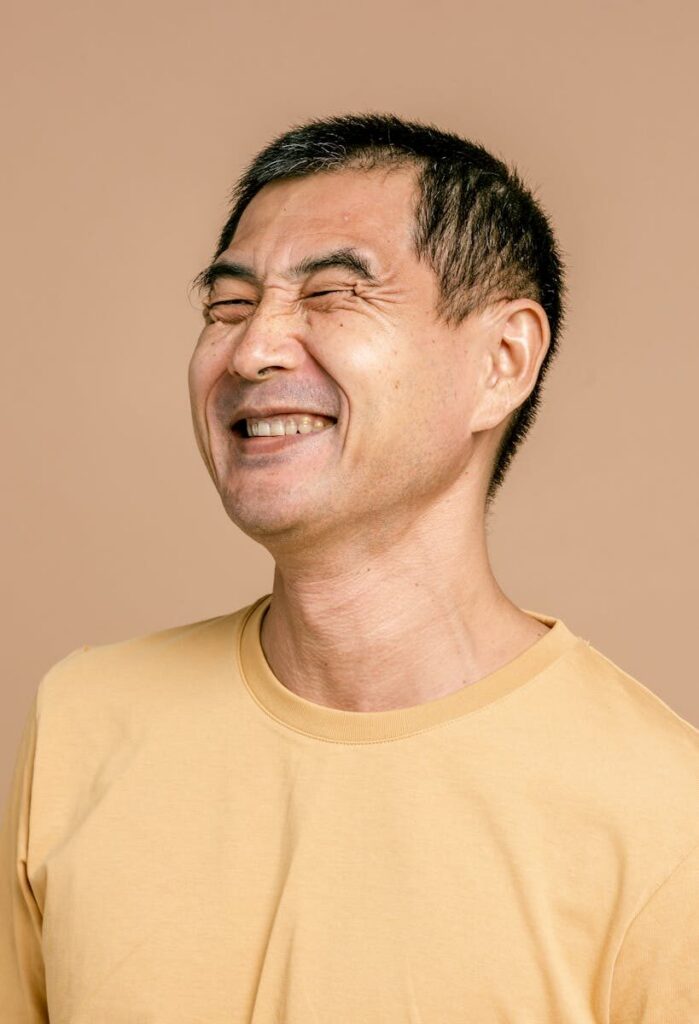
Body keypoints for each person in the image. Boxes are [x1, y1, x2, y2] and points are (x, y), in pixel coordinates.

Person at [1, 113, 697, 1023]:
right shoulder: (84, 719)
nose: (252, 350)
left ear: (502, 361)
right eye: (228, 306)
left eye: (331, 294)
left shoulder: (663, 815)